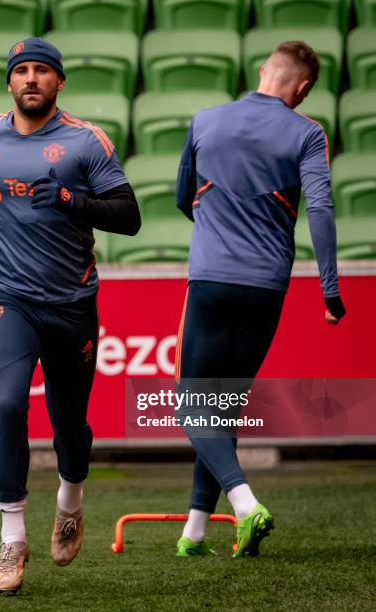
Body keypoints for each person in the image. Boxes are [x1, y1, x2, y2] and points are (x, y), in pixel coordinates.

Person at [0, 37, 141, 593]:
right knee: (7, 405)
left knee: (68, 423)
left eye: (42, 71)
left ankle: (70, 501)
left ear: (59, 82)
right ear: (9, 81)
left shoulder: (86, 142)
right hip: (7, 295)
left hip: (72, 304)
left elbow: (128, 216)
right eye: (22, 71)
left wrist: (70, 202)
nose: (31, 79)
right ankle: (12, 537)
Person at [174, 41, 346, 559]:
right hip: (269, 284)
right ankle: (196, 532)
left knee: (192, 404)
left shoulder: (206, 120)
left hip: (210, 277)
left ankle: (245, 504)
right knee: (223, 406)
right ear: (303, 88)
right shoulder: (308, 132)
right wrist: (331, 289)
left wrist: (217, 227)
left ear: (262, 72)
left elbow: (184, 196)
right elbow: (320, 208)